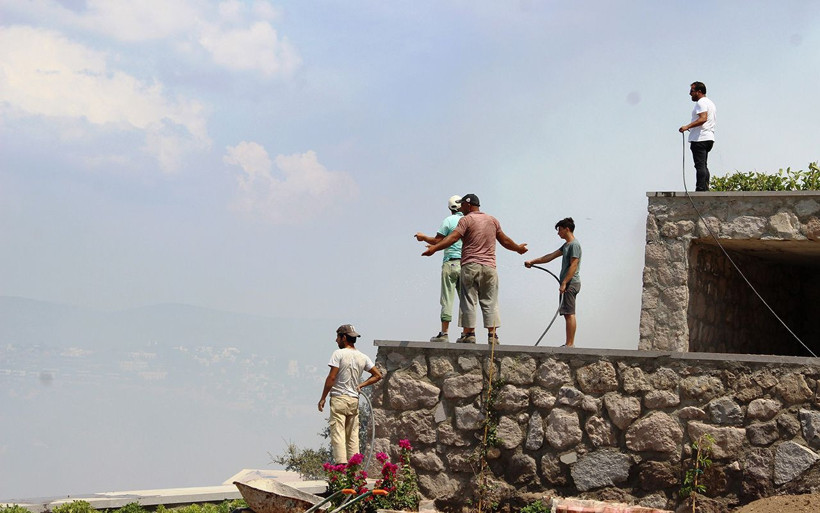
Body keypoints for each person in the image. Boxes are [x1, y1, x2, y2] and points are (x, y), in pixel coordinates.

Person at [422, 194, 528, 345]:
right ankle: (492, 336)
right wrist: (518, 248)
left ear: (468, 205)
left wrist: (434, 249)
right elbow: (504, 240)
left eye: (463, 205)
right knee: (490, 301)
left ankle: (469, 334)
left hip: (471, 266)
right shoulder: (492, 220)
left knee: (469, 300)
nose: (461, 209)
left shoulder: (466, 220)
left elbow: (451, 238)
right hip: (490, 267)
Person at [318, 324, 382, 464]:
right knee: (353, 435)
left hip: (339, 399)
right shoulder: (362, 357)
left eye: (338, 337)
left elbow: (331, 378)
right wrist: (361, 385)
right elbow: (377, 375)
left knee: (338, 434)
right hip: (353, 400)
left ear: (344, 337)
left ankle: (341, 467)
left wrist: (323, 398)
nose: (336, 340)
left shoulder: (338, 354)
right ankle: (354, 468)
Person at [524, 217, 582, 347]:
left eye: (560, 230)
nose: (558, 233)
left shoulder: (574, 245)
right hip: (567, 282)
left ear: (567, 229)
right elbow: (550, 256)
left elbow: (574, 265)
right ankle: (569, 343)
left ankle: (570, 344)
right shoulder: (567, 245)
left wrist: (564, 282)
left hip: (571, 282)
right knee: (567, 313)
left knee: (569, 313)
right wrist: (532, 261)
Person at [415, 195, 463, 343]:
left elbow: (438, 240)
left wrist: (423, 237)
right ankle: (468, 333)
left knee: (447, 299)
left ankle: (444, 333)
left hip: (450, 263)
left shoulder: (448, 221)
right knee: (466, 300)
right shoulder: (468, 221)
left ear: (450, 208)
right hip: (466, 264)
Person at [679, 81, 717, 191]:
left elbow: (703, 118)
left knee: (700, 166)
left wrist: (687, 126)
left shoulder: (701, 103)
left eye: (692, 91)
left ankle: (701, 189)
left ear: (699, 92)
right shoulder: (711, 103)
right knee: (703, 165)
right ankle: (705, 187)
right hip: (709, 137)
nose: (690, 93)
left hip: (700, 138)